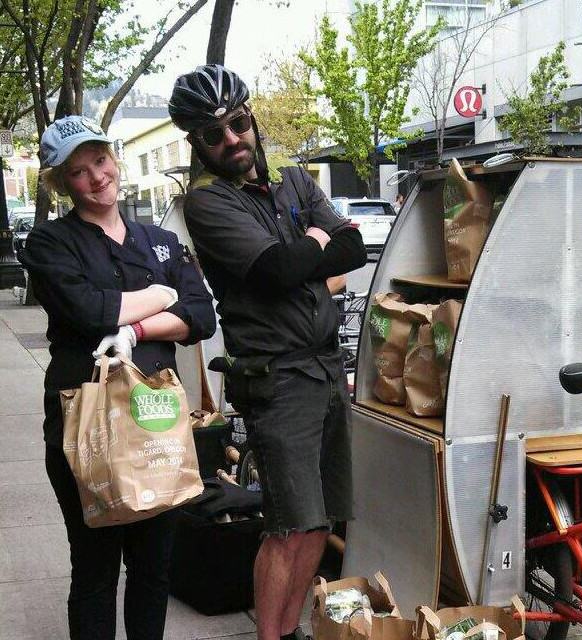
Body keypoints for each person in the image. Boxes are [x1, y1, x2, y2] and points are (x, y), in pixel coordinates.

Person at [168, 64, 367, 640]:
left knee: (319, 522)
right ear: (197, 143)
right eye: (213, 134)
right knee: (286, 526)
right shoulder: (207, 205)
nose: (231, 140)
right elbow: (280, 271)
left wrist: (311, 251)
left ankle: (292, 629)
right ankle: (269, 636)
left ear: (251, 118)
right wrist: (313, 244)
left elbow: (352, 248)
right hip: (277, 381)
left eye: (236, 123)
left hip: (327, 368)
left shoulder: (295, 182)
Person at [20, 115, 216, 640]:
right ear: (63, 184)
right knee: (96, 569)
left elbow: (201, 315)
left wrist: (137, 325)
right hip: (84, 427)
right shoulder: (49, 243)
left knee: (153, 570)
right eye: (79, 172)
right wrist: (161, 296)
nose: (97, 178)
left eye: (100, 161)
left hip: (156, 425)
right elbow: (88, 309)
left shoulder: (159, 241)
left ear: (114, 158)